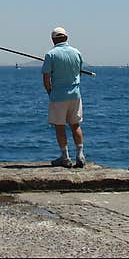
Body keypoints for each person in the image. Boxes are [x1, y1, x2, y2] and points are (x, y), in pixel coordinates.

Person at [42, 26, 86, 168]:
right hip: (75, 94)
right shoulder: (77, 52)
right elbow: (78, 71)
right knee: (75, 125)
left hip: (59, 96)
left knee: (60, 126)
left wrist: (50, 92)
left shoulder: (51, 55)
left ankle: (65, 157)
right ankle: (80, 155)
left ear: (52, 40)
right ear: (66, 38)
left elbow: (46, 78)